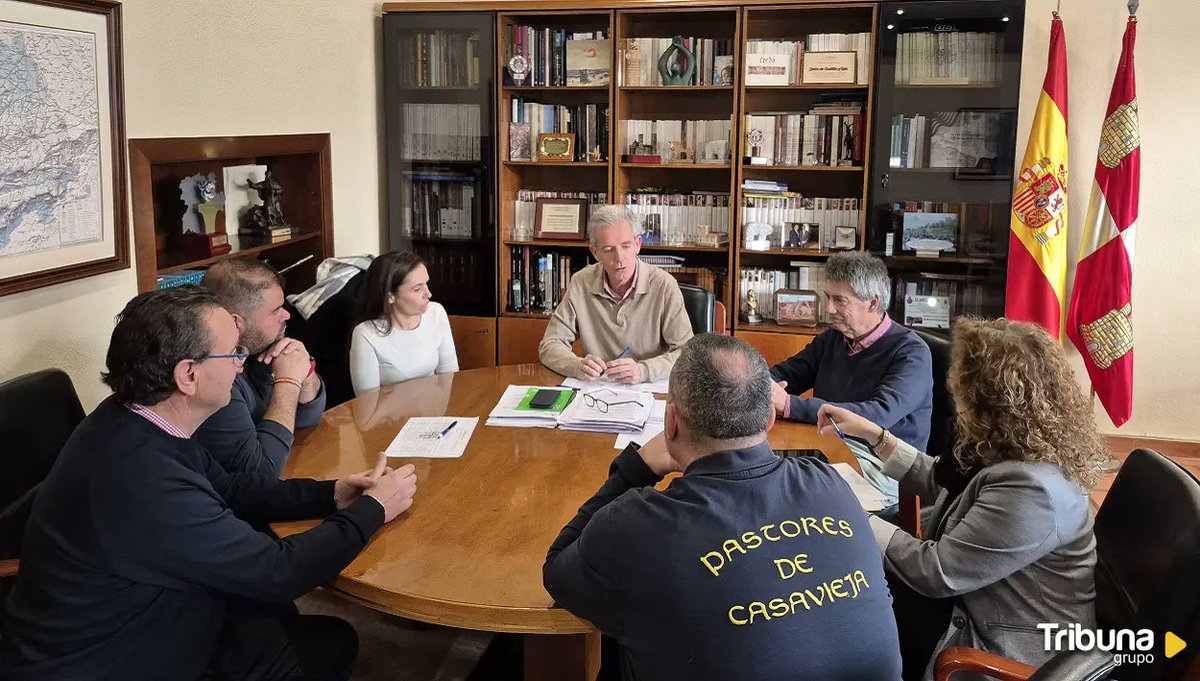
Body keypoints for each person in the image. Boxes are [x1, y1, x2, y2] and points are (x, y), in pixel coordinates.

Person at [0, 287, 418, 681]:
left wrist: (332, 493)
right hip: (110, 660)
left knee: (275, 617)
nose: (243, 362)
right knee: (331, 641)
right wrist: (373, 510)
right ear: (188, 375)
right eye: (233, 352)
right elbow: (279, 570)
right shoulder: (144, 478)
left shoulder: (133, 418)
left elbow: (233, 488)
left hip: (145, 608)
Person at [544, 334, 901, 681]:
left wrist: (635, 470)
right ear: (769, 420)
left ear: (671, 423)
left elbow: (558, 571)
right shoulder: (831, 484)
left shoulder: (634, 525)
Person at [815, 317, 1109, 680]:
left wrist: (852, 516)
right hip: (972, 601)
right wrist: (878, 437)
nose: (956, 401)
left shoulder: (1034, 491)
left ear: (993, 402)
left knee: (841, 622)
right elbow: (952, 487)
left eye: (962, 393)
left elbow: (936, 571)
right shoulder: (1022, 447)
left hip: (999, 648)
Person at [769, 251, 932, 509]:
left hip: (883, 469)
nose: (829, 308)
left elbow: (877, 415)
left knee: (790, 499)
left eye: (839, 300)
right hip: (828, 449)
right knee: (764, 476)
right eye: (827, 298)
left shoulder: (912, 353)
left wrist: (789, 404)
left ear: (873, 303)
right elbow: (788, 373)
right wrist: (762, 385)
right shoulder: (834, 338)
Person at [198, 258, 325, 477]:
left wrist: (304, 376)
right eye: (276, 310)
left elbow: (306, 419)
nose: (287, 315)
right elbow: (260, 472)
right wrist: (288, 383)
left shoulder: (259, 350)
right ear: (236, 322)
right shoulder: (214, 376)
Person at [539, 205, 693, 384]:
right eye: (609, 249)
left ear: (638, 244)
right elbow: (549, 345)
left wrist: (643, 371)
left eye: (626, 246)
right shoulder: (581, 283)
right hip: (596, 392)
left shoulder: (664, 285)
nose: (619, 257)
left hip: (650, 392)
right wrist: (576, 365)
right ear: (595, 252)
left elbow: (686, 354)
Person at [349, 251, 458, 396]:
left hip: (434, 411)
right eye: (418, 289)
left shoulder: (436, 313)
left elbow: (449, 373)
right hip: (391, 416)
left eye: (426, 284)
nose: (429, 294)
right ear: (390, 296)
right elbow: (367, 402)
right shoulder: (366, 334)